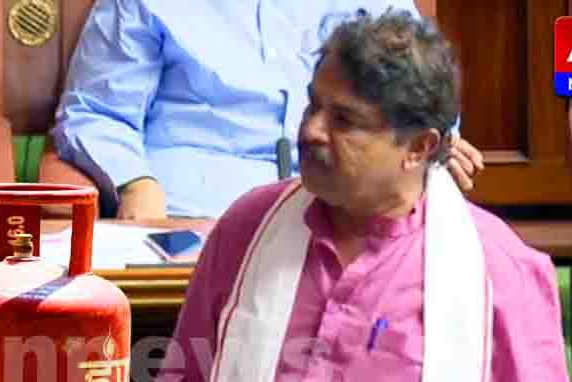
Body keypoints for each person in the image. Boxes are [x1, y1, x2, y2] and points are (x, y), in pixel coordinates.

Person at [114, 10, 572, 382]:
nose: (311, 130)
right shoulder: (247, 232)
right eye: (313, 104)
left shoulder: (497, 271)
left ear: (419, 147)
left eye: (345, 120)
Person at [51, 0, 485, 220]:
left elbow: (421, 93)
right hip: (193, 214)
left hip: (346, 202)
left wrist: (433, 141)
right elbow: (97, 112)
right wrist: (134, 182)